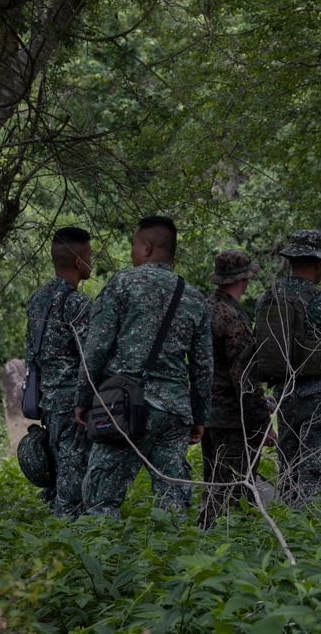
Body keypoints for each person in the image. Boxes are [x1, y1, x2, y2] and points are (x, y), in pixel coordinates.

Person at [75, 216, 213, 518]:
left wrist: (83, 399)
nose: (132, 254)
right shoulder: (194, 297)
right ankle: (171, 561)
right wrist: (199, 416)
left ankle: (103, 560)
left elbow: (96, 347)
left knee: (102, 498)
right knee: (173, 498)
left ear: (147, 247)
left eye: (134, 246)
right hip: (174, 413)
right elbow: (203, 367)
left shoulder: (122, 283)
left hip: (124, 407)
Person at [254, 230, 321, 504]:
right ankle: (311, 527)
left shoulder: (267, 298)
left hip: (284, 394)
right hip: (320, 396)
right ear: (318, 264)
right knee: (317, 468)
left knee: (289, 467)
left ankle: (289, 525)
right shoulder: (320, 300)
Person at [199, 249, 274, 528]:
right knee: (236, 493)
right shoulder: (235, 318)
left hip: (209, 415)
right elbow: (244, 378)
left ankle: (203, 540)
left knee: (213, 485)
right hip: (233, 421)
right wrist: (264, 421)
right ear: (245, 279)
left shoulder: (205, 309)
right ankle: (233, 549)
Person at [25, 227, 94, 517]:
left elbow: (32, 353)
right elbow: (92, 359)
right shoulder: (77, 304)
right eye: (90, 255)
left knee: (57, 477)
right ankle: (66, 544)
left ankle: (56, 537)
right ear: (79, 261)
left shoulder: (37, 298)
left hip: (47, 403)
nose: (93, 261)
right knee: (72, 486)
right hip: (73, 406)